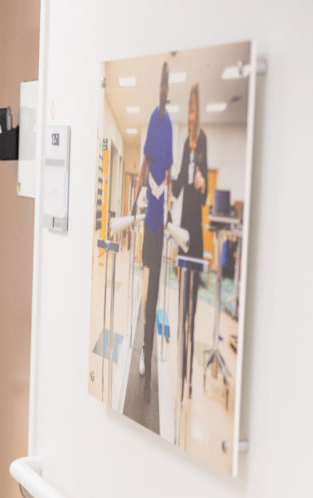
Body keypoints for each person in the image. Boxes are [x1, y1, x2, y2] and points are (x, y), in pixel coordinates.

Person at [131, 61, 173, 396]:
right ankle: (144, 346)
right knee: (147, 288)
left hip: (161, 217)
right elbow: (144, 163)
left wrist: (169, 203)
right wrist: (134, 200)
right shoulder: (152, 120)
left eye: (165, 87)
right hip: (149, 218)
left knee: (156, 290)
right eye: (160, 85)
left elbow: (168, 172)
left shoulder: (169, 123)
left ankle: (148, 347)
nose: (162, 91)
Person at [172, 83, 208, 405]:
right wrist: (168, 179)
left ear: (200, 113)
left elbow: (202, 190)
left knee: (193, 313)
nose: (191, 116)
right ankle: (180, 370)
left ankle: (189, 380)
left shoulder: (203, 142)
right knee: (182, 305)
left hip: (197, 234)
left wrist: (202, 183)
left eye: (194, 110)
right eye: (189, 111)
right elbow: (180, 180)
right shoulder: (186, 144)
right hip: (184, 230)